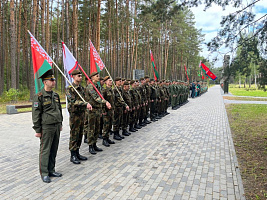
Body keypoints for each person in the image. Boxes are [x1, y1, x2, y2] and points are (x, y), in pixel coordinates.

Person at [32, 69, 63, 183]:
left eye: (54, 79)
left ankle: (51, 169)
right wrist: (37, 129)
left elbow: (59, 109)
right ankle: (44, 173)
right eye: (51, 80)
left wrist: (60, 123)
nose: (53, 81)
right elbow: (36, 114)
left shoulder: (55, 95)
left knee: (54, 148)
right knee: (45, 150)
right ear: (45, 82)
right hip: (46, 127)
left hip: (56, 126)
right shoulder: (39, 96)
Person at [66, 69, 92, 164]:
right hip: (74, 115)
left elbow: (86, 99)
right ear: (73, 77)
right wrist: (84, 104)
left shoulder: (82, 89)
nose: (80, 77)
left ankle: (77, 152)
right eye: (78, 76)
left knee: (80, 134)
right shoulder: (70, 89)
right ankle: (73, 154)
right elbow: (72, 101)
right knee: (74, 134)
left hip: (82, 114)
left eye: (81, 76)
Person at [85, 72, 111, 155]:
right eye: (97, 76)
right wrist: (105, 102)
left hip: (97, 110)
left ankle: (94, 144)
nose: (98, 77)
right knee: (91, 129)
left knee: (97, 128)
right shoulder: (90, 87)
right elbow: (96, 98)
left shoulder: (97, 86)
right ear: (92, 77)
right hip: (92, 110)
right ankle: (90, 146)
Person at [102, 76, 116, 146]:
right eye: (109, 80)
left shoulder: (112, 90)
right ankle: (104, 139)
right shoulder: (104, 90)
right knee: (106, 125)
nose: (111, 82)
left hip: (111, 110)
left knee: (110, 125)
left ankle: (107, 138)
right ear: (106, 82)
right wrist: (103, 110)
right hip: (106, 111)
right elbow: (103, 101)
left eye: (111, 80)